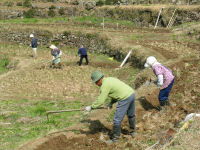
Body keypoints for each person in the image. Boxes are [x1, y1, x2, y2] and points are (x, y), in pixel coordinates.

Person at [85, 70, 135, 144]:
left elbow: (100, 101)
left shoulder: (104, 86)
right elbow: (117, 91)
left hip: (124, 98)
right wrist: (111, 103)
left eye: (96, 82)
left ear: (100, 79)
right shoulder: (110, 79)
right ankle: (133, 132)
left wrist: (91, 107)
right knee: (131, 114)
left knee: (117, 120)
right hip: (131, 94)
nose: (96, 84)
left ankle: (115, 140)